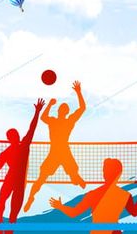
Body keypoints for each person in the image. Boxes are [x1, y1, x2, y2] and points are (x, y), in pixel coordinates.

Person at [0, 98, 45, 233]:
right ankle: (0, 224)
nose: (15, 137)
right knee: (3, 202)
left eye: (15, 135)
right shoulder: (12, 150)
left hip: (16, 181)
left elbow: (31, 129)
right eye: (14, 136)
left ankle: (4, 226)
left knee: (10, 210)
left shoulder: (22, 146)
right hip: (13, 179)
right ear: (11, 139)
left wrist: (37, 112)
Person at [24, 81, 86, 212]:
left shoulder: (55, 121)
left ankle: (75, 177)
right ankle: (31, 198)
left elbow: (43, 117)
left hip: (58, 152)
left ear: (59, 111)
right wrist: (78, 93)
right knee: (43, 178)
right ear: (65, 112)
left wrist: (50, 105)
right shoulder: (67, 121)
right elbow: (82, 109)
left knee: (42, 179)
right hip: (61, 152)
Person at [50, 158, 137, 234]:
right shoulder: (124, 195)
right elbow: (135, 212)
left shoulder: (93, 194)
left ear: (104, 174)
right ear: (119, 174)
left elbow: (74, 213)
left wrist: (60, 206)